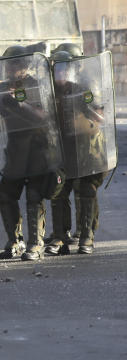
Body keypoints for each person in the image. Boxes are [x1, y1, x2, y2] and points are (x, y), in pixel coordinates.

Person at [0, 46, 62, 262]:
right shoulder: (2, 88)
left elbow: (45, 116)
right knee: (6, 194)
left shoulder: (36, 85)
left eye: (14, 63)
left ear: (23, 65)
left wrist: (20, 104)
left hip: (36, 149)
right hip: (14, 149)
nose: (10, 68)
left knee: (34, 195)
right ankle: (15, 241)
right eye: (8, 64)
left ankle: (36, 243)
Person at [48, 48, 108, 256]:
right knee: (59, 191)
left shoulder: (84, 89)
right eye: (57, 69)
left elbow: (100, 117)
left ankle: (86, 235)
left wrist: (87, 110)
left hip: (85, 147)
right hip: (62, 148)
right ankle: (59, 235)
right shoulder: (49, 92)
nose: (61, 74)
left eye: (65, 69)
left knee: (86, 191)